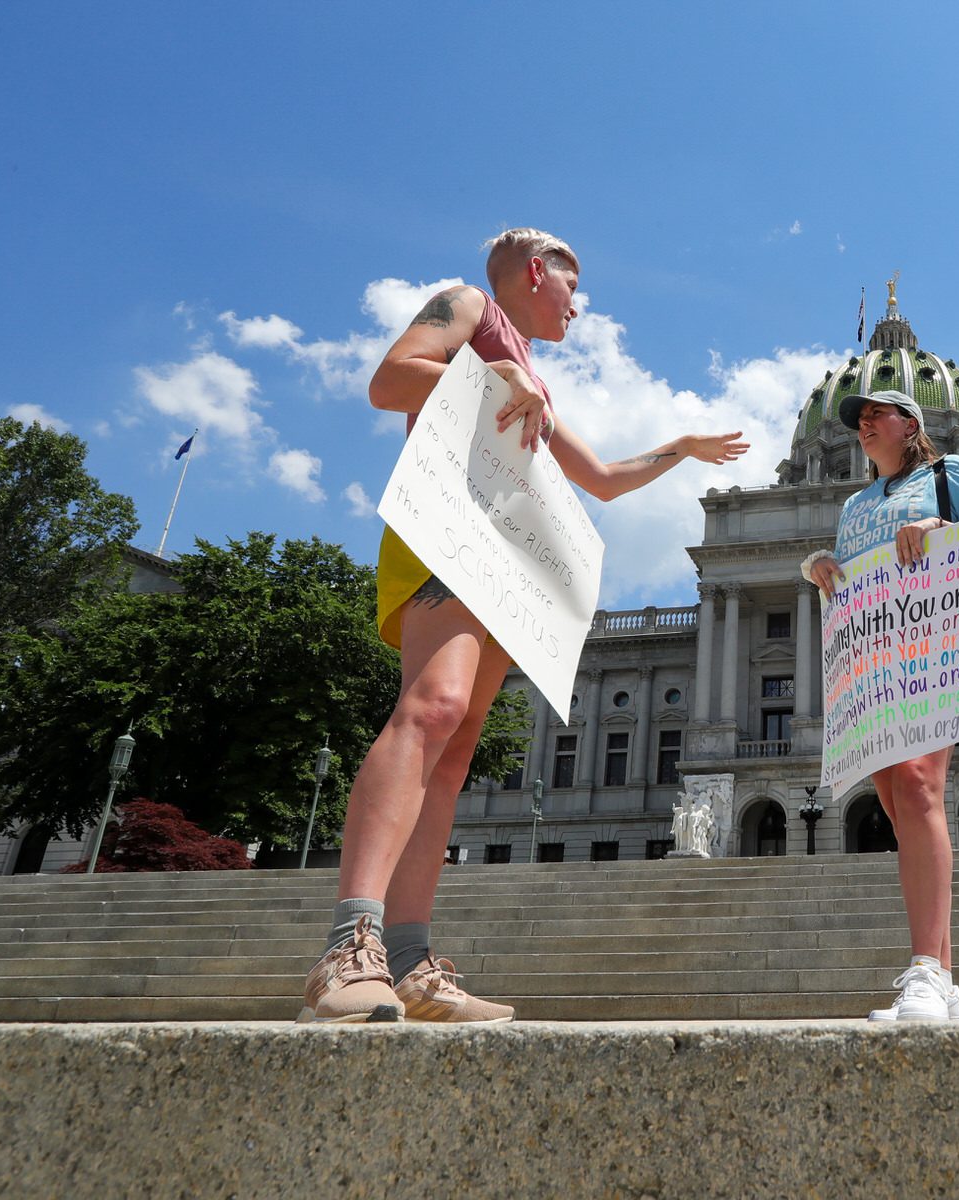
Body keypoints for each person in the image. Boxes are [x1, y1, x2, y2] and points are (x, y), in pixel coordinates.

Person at [299, 228, 748, 1024]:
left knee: (456, 750)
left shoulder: (535, 378)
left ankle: (408, 959)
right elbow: (389, 381)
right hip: (447, 531)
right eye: (573, 289)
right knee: (430, 709)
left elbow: (602, 481)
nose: (579, 306)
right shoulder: (468, 307)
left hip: (505, 561)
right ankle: (349, 943)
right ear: (537, 272)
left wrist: (680, 446)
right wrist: (486, 372)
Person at [802, 390, 959, 1020]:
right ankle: (941, 979)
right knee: (899, 805)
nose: (863, 425)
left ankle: (923, 967)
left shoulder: (952, 474)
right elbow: (859, 581)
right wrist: (822, 566)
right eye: (856, 420)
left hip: (932, 644)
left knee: (921, 785)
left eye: (875, 415)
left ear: (910, 424)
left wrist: (941, 528)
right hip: (871, 659)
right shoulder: (856, 504)